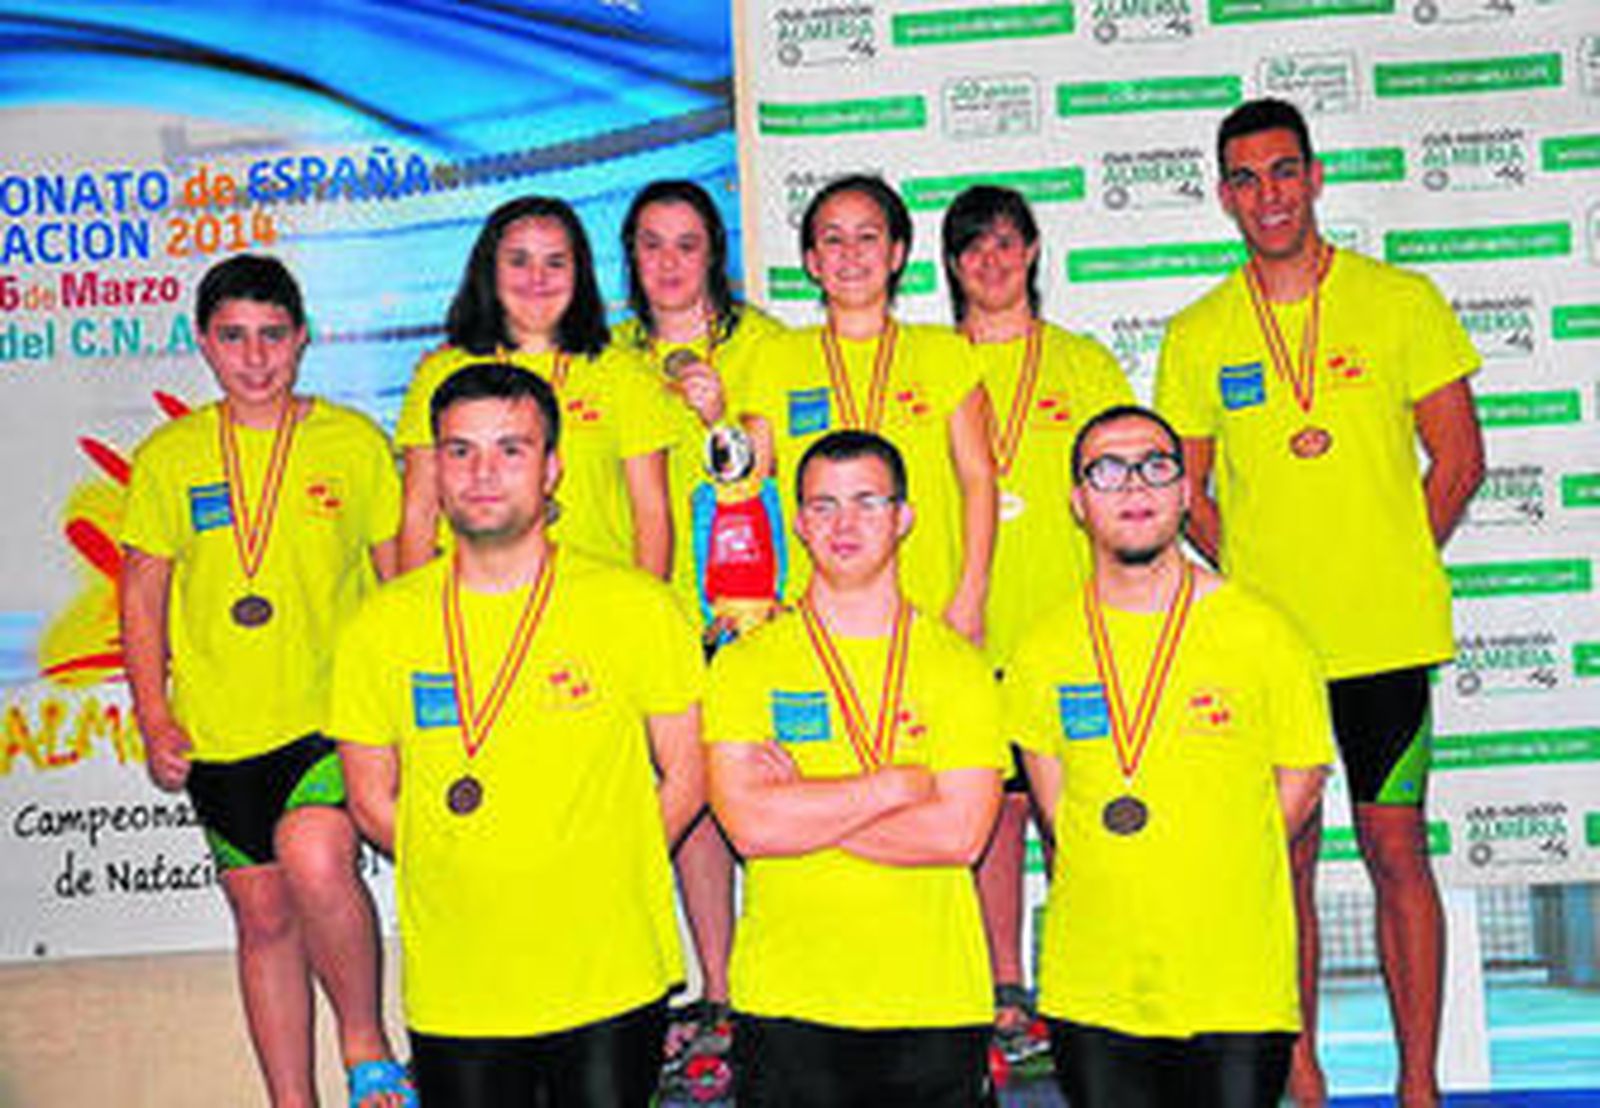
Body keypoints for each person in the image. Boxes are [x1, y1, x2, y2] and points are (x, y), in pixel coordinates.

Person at [1155, 98, 1485, 1107]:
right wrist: (1256, 586)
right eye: (1246, 178)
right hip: (1270, 655)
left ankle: (1419, 1087)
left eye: (1283, 171)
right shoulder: (1199, 330)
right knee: (1284, 865)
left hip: (1384, 638)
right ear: (1222, 196)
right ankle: (1303, 1081)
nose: (1268, 195)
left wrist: (1385, 559)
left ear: (1314, 176)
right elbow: (1186, 494)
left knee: (1396, 850)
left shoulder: (1400, 300)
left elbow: (1460, 461)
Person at [330, 362, 706, 1107]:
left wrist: (607, 865)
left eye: (511, 449)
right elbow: (371, 798)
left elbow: (690, 775)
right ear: (433, 468)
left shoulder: (637, 607)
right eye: (460, 451)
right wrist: (467, 866)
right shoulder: (379, 627)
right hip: (460, 980)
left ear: (553, 468)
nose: (482, 473)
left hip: (608, 969)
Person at [119, 254, 412, 1108]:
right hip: (219, 729)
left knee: (316, 857)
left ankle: (366, 1047)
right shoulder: (171, 457)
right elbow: (142, 593)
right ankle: (292, 1099)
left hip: (331, 716)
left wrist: (406, 706)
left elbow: (398, 585)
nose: (255, 358)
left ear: (304, 337)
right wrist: (152, 713)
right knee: (262, 918)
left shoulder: (352, 442)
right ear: (205, 343)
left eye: (273, 336)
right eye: (234, 338)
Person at [1007, 405, 1334, 1108]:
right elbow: (1062, 815)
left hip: (1235, 988)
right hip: (1093, 989)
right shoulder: (1042, 651)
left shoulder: (1266, 634)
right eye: (1107, 470)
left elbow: (1297, 792)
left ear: (1187, 493)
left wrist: (1209, 864)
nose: (1134, 487)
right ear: (1078, 502)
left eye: (1156, 466)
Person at [706, 430, 1005, 1107]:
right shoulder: (745, 664)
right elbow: (750, 828)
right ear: (800, 524)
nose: (845, 524)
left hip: (933, 1003)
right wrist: (892, 788)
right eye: (824, 506)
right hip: (788, 1006)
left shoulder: (959, 668)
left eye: (868, 503)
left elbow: (959, 836)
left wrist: (803, 803)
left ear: (904, 518)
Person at [941, 184, 1135, 1060]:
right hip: (964, 629)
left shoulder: (1085, 362)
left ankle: (1083, 982)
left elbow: (1125, 488)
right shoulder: (928, 364)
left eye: (1007, 244)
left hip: (1068, 632)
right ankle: (1002, 992)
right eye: (973, 247)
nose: (992, 261)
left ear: (1032, 253)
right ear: (950, 264)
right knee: (993, 816)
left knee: (1079, 808)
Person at [615, 178, 786, 1087]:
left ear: (714, 251)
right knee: (691, 809)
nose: (671, 262)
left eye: (688, 243)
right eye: (652, 244)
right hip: (655, 615)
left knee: (769, 794)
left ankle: (777, 993)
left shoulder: (769, 346)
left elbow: (788, 472)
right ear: (631, 257)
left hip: (757, 615)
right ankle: (720, 994)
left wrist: (721, 415)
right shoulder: (607, 357)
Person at [742, 174, 996, 645]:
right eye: (832, 240)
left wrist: (970, 595)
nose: (850, 254)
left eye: (868, 237)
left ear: (897, 254)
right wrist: (755, 595)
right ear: (812, 262)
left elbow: (978, 480)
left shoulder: (945, 353)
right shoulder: (777, 357)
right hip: (809, 613)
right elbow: (746, 492)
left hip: (928, 608)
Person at [395, 195, 674, 577]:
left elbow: (652, 514)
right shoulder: (440, 373)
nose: (537, 279)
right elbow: (419, 510)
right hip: (472, 607)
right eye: (518, 261)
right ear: (489, 271)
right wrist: (417, 620)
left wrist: (646, 616)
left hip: (594, 604)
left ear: (580, 273)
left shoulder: (624, 373)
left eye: (555, 263)